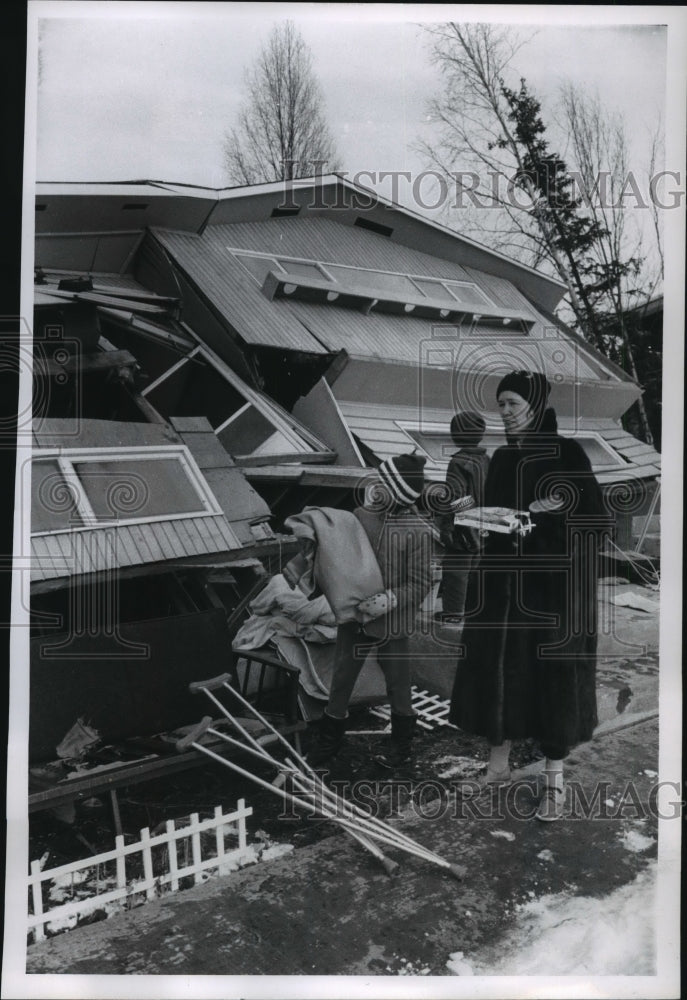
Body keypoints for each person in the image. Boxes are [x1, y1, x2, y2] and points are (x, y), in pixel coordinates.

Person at [448, 371, 611, 821]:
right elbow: (500, 515)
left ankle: (553, 784)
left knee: (551, 685)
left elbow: (594, 523)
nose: (504, 413)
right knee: (498, 674)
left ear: (535, 407)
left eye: (513, 404)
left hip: (552, 591)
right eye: (500, 405)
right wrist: (484, 524)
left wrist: (540, 525)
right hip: (501, 589)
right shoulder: (500, 459)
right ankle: (497, 765)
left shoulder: (566, 454)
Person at [309, 453, 434, 771]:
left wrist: (390, 599)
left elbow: (421, 583)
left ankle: (402, 746)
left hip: (392, 622)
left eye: (383, 484)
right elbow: (340, 556)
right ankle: (329, 741)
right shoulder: (359, 516)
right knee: (342, 678)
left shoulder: (418, 531)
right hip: (355, 617)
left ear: (397, 492)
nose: (375, 488)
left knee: (398, 684)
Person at [437, 410, 490, 624]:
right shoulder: (486, 459)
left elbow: (458, 498)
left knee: (456, 572)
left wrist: (456, 527)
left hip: (463, 528)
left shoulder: (458, 462)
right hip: (484, 523)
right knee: (475, 571)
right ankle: (472, 610)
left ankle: (453, 613)